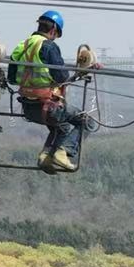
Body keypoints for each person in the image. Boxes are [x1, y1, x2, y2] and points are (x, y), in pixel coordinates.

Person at [8, 10, 94, 173]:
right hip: (48, 107)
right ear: (53, 30)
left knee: (60, 128)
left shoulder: (21, 46)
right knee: (87, 122)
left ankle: (46, 157)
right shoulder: (48, 46)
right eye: (56, 35)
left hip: (28, 108)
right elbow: (62, 77)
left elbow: (12, 79)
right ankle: (63, 153)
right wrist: (80, 72)